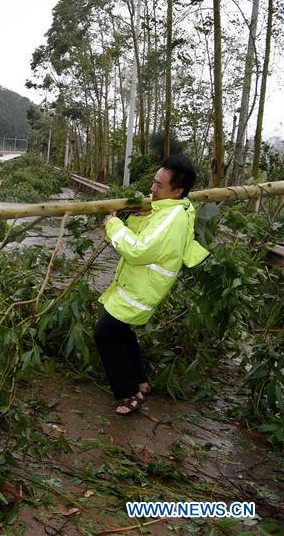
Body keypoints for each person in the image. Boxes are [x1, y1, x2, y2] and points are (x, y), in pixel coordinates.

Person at [95, 155, 209, 416]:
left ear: (177, 191)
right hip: (136, 284)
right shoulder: (168, 209)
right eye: (154, 182)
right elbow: (146, 236)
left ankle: (129, 394)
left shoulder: (172, 218)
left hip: (142, 289)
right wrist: (138, 217)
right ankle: (140, 381)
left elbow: (137, 249)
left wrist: (113, 225)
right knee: (122, 332)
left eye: (159, 185)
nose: (152, 188)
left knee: (106, 333)